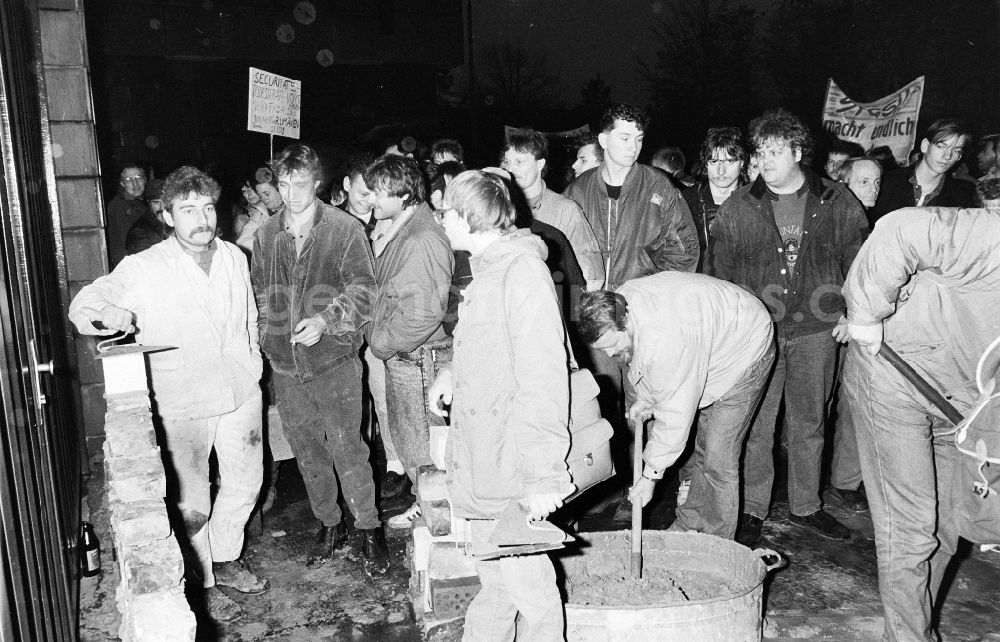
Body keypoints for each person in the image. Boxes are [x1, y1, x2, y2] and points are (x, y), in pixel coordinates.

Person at [70, 166, 266, 622]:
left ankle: (224, 555)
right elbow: (84, 305)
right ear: (167, 215)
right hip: (184, 399)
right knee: (192, 500)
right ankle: (204, 583)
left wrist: (253, 359)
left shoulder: (235, 257)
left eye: (207, 207)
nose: (201, 218)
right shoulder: (145, 266)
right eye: (187, 209)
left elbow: (250, 318)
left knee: (246, 482)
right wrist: (109, 314)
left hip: (240, 389)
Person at [709, 108, 869, 546]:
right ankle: (754, 509)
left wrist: (855, 312)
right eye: (760, 152)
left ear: (797, 151)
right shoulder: (740, 207)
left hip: (818, 329)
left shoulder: (836, 201)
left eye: (775, 151)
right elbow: (719, 275)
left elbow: (861, 261)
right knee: (758, 424)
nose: (765, 160)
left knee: (809, 423)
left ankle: (806, 506)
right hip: (759, 335)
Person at [840, 206, 1000, 642]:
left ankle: (915, 628)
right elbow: (902, 228)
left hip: (963, 404)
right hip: (895, 372)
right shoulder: (991, 236)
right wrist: (866, 316)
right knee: (911, 530)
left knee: (949, 528)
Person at [429, 170, 573, 641]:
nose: (441, 219)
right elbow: (493, 349)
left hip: (512, 464)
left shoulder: (521, 271)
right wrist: (453, 373)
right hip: (487, 459)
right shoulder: (489, 268)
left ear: (471, 217)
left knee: (534, 599)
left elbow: (543, 378)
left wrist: (543, 475)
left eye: (447, 211)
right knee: (497, 585)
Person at [251, 143, 389, 578]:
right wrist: (265, 334)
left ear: (318, 183)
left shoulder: (344, 229)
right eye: (284, 183)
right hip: (286, 366)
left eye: (301, 184)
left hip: (334, 362)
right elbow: (259, 293)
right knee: (308, 454)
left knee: (349, 449)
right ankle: (330, 525)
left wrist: (326, 320)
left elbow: (366, 290)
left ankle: (368, 528)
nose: (292, 193)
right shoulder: (265, 234)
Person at [564, 102, 699, 521]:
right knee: (602, 400)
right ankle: (604, 483)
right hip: (595, 317)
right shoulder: (578, 190)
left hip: (640, 320)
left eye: (640, 138)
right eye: (625, 136)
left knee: (645, 399)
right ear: (603, 140)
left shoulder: (659, 188)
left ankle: (643, 489)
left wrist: (650, 297)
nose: (634, 145)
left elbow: (685, 251)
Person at [577, 272, 774, 539]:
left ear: (624, 324)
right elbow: (643, 359)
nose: (610, 354)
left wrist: (650, 477)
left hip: (744, 347)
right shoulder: (620, 303)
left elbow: (675, 415)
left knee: (718, 455)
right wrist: (647, 398)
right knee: (704, 446)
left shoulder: (664, 339)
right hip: (709, 335)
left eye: (611, 345)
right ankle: (690, 523)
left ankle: (716, 543)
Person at [363, 155, 454, 529]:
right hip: (409, 355)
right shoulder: (402, 227)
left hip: (417, 357)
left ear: (404, 195)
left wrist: (381, 343)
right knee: (412, 438)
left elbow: (424, 313)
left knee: (423, 445)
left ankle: (437, 519)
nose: (371, 200)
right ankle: (427, 504)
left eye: (379, 193)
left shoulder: (421, 237)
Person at [501, 128, 605, 290]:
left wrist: (568, 308)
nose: (511, 169)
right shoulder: (499, 208)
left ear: (540, 164)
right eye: (508, 162)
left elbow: (593, 276)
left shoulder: (565, 210)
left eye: (519, 162)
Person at [871, 119, 977, 223]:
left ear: (959, 156)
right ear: (925, 145)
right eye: (941, 146)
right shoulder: (886, 183)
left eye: (956, 150)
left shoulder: (963, 198)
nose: (948, 156)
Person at [683, 127, 748, 273]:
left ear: (742, 162)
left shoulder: (756, 202)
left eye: (729, 161)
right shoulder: (687, 201)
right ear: (705, 163)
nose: (721, 171)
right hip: (700, 286)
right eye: (714, 161)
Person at [105, 162, 150, 268]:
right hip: (131, 265)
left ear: (145, 179)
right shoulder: (120, 205)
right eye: (129, 180)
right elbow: (129, 241)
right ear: (122, 184)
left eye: (138, 178)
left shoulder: (145, 200)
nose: (135, 184)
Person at [236, 166, 285, 251]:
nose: (264, 199)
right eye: (260, 196)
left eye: (266, 193)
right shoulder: (260, 214)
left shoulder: (293, 209)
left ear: (279, 189)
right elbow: (242, 241)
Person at [125, 178, 169, 254]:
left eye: (165, 202)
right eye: (156, 202)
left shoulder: (178, 223)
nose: (162, 208)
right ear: (149, 203)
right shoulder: (138, 233)